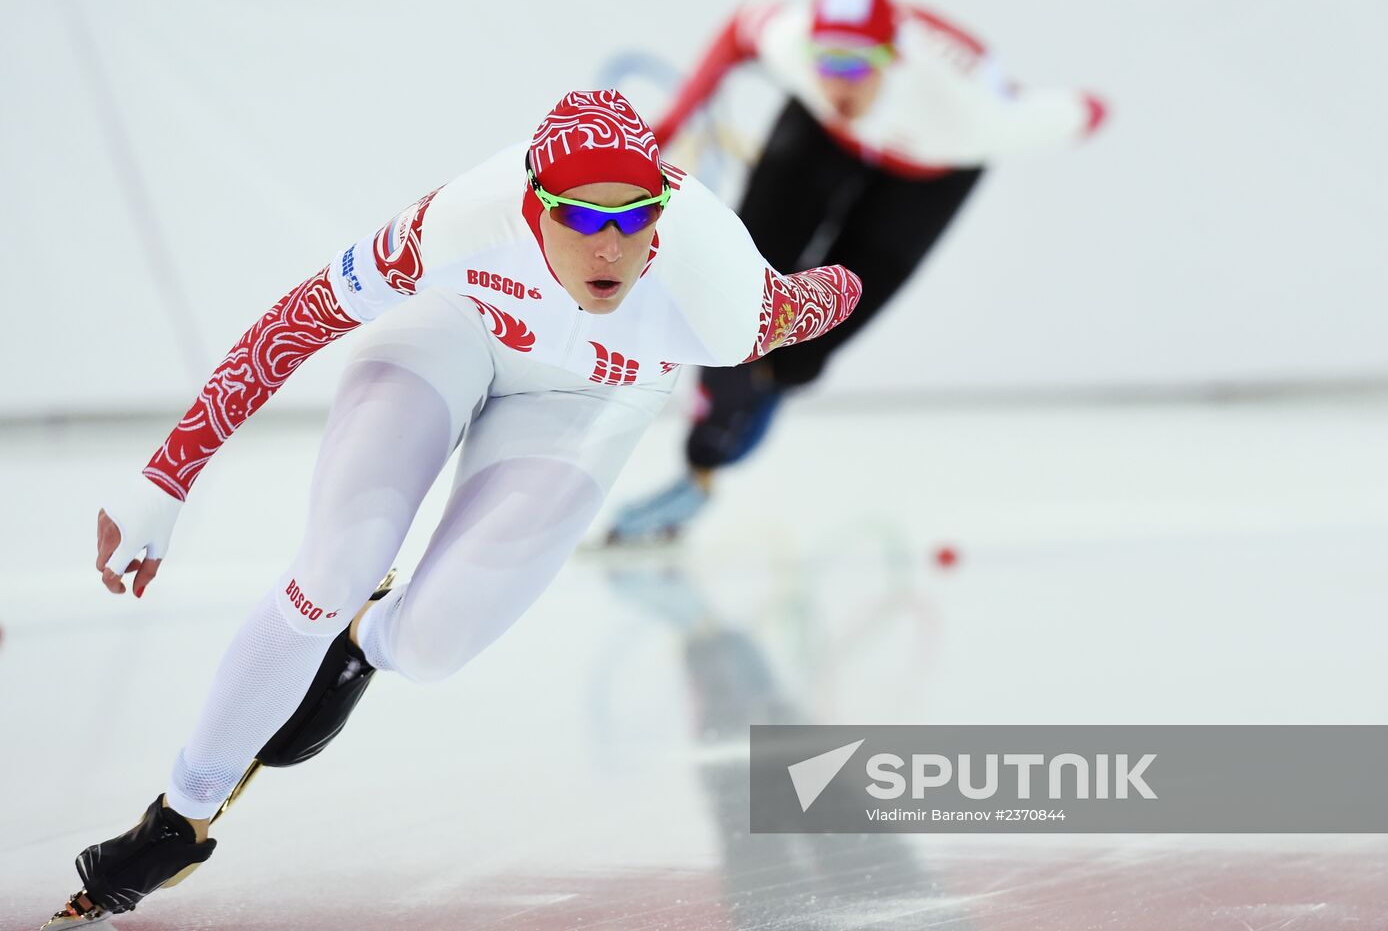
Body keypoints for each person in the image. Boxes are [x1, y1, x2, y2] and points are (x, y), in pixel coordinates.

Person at [44, 89, 861, 927]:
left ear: (663, 207)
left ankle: (366, 637)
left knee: (431, 650)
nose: (608, 245)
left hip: (591, 399)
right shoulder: (457, 222)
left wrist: (832, 272)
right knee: (331, 569)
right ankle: (181, 815)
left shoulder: (728, 296)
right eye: (578, 218)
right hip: (454, 330)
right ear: (532, 202)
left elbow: (840, 287)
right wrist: (166, 479)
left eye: (634, 216)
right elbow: (291, 326)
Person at [607, 0, 1107, 542]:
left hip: (934, 160)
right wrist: (666, 125)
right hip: (825, 135)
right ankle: (703, 463)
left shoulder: (981, 117)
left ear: (891, 58)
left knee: (809, 341)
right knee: (737, 300)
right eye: (826, 59)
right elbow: (741, 29)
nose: (837, 80)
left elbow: (1088, 111)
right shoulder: (798, 50)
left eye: (853, 66)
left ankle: (753, 413)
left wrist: (1045, 106)